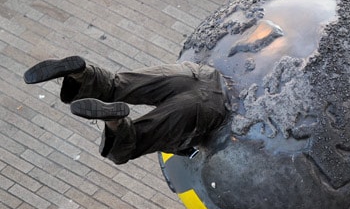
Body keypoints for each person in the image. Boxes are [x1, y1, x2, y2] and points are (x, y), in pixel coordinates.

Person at [23, 56, 229, 165]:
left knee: (117, 85)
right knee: (137, 141)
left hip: (194, 73)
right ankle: (115, 122)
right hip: (207, 105)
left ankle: (80, 74)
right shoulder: (187, 125)